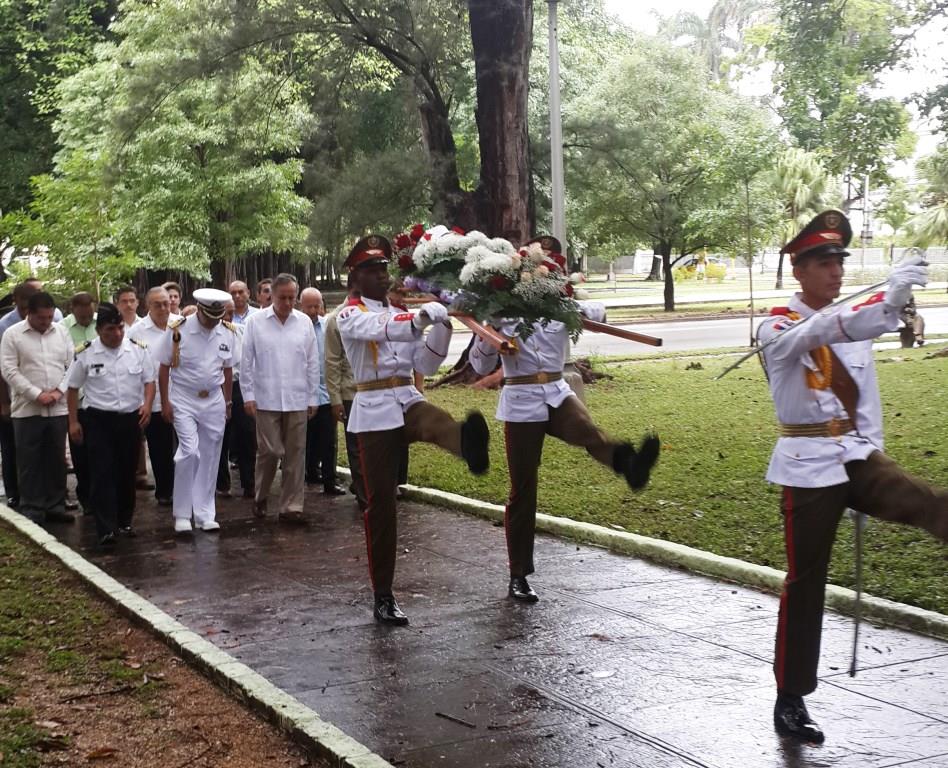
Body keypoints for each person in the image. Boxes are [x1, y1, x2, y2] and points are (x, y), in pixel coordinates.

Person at [757, 210, 948, 743]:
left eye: (840, 262)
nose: (835, 273)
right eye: (823, 263)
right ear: (799, 270)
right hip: (806, 464)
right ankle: (790, 698)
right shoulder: (775, 324)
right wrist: (883, 302)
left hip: (856, 457)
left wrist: (889, 302)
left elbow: (866, 393)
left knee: (926, 502)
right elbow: (821, 330)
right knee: (806, 581)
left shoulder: (851, 318)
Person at [469, 238, 660, 604]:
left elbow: (600, 312)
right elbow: (479, 366)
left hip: (556, 392)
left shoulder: (561, 309)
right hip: (522, 401)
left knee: (589, 432)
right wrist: (489, 337)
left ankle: (630, 466)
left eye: (552, 275)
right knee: (524, 489)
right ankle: (518, 574)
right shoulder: (501, 316)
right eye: (540, 274)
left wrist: (570, 306)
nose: (545, 281)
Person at [337, 235, 490, 626]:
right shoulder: (349, 314)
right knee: (381, 506)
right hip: (371, 409)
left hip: (404, 397)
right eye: (371, 270)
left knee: (433, 419)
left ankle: (466, 444)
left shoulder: (399, 311)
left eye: (383, 269)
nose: (381, 275)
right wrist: (422, 317)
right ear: (355, 277)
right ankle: (383, 594)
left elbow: (427, 360)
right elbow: (380, 329)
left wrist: (443, 323)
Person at [66, 303, 156, 546]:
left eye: (119, 328)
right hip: (98, 420)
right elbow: (72, 388)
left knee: (126, 473)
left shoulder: (137, 349)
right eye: (109, 330)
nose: (116, 334)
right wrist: (73, 421)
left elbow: (149, 380)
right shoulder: (86, 352)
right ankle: (105, 528)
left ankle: (124, 521)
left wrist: (147, 405)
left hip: (129, 419)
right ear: (98, 331)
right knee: (102, 473)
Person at [241, 274, 320, 523]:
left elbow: (312, 362)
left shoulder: (304, 322)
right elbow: (246, 362)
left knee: (296, 453)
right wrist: (248, 395)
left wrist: (313, 396)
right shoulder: (255, 322)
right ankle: (261, 495)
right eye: (282, 297)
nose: (287, 303)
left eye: (291, 298)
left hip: (297, 398)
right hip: (266, 398)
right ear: (271, 296)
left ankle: (291, 506)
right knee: (270, 451)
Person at [155, 288, 235, 533]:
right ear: (200, 310)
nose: (214, 322)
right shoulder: (178, 330)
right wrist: (166, 402)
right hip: (184, 398)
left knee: (210, 455)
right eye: (210, 317)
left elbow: (228, 369)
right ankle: (182, 514)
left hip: (213, 399)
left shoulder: (227, 332)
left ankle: (204, 513)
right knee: (189, 452)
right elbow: (164, 368)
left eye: (218, 317)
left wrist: (228, 402)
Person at [0, 291, 73, 524]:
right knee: (29, 460)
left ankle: (55, 504)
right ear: (28, 313)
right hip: (27, 409)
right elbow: (9, 370)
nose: (46, 322)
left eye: (50, 317)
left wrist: (59, 391)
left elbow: (72, 365)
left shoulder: (61, 332)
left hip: (58, 407)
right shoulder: (12, 335)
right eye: (41, 318)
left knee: (56, 458)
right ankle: (32, 506)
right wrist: (36, 394)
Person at [129, 286, 181, 505]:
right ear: (147, 305)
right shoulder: (137, 331)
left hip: (183, 397)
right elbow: (133, 367)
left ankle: (184, 490)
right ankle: (165, 492)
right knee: (159, 450)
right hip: (154, 399)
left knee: (185, 449)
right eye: (157, 304)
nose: (163, 308)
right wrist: (144, 404)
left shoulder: (181, 324)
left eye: (166, 303)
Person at [324, 273, 365, 510]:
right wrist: (335, 399)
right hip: (351, 393)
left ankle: (371, 489)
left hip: (377, 392)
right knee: (357, 447)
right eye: (359, 292)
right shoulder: (336, 319)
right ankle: (364, 497)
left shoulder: (376, 313)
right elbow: (332, 361)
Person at [299, 287, 346, 496]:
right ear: (300, 306)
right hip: (303, 396)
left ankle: (330, 480)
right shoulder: (296, 327)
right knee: (305, 440)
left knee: (329, 441)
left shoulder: (328, 325)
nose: (313, 310)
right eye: (309, 306)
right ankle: (308, 473)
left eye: (316, 306)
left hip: (326, 393)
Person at [60, 292, 98, 515]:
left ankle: (101, 496)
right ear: (72, 308)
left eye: (89, 312)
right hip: (76, 398)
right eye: (82, 314)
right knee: (80, 452)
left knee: (99, 452)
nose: (86, 317)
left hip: (99, 399)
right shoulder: (62, 328)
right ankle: (86, 499)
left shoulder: (101, 323)